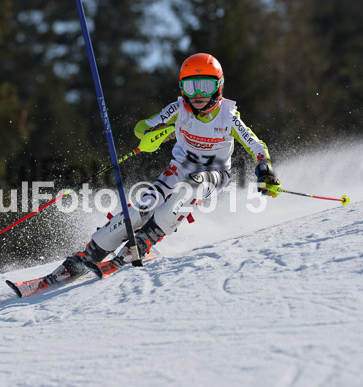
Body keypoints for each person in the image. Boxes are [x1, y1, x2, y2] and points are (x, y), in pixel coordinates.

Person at [48, 52, 281, 283]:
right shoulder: (177, 109)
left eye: (205, 86)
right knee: (144, 205)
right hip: (179, 167)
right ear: (182, 88)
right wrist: (159, 134)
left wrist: (265, 170)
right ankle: (89, 254)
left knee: (192, 186)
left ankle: (144, 241)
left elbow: (256, 145)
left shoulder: (228, 116)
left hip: (215, 174)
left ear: (218, 86)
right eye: (191, 87)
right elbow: (141, 128)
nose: (198, 94)